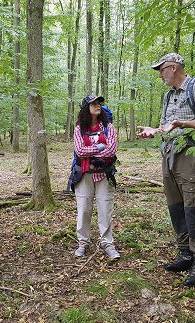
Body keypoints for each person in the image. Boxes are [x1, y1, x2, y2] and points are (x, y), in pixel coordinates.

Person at [138, 53, 195, 286]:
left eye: (161, 70)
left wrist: (184, 124)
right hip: (169, 154)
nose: (160, 74)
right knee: (175, 205)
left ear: (173, 68)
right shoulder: (169, 96)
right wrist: (155, 130)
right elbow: (168, 125)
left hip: (190, 154)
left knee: (192, 206)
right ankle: (185, 253)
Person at [72, 95, 120, 260]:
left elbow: (111, 150)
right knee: (84, 209)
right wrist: (100, 146)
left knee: (105, 210)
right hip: (84, 175)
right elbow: (79, 151)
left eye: (99, 103)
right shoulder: (79, 129)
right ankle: (83, 243)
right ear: (86, 108)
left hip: (104, 174)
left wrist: (91, 151)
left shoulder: (109, 127)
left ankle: (108, 244)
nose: (97, 105)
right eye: (93, 103)